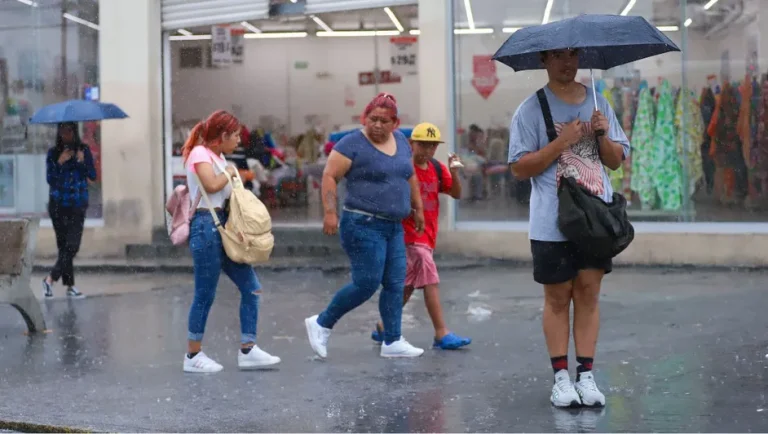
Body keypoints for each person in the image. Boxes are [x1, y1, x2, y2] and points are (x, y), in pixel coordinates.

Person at [507, 49, 630, 408]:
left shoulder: (598, 102)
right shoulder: (530, 110)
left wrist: (603, 135)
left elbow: (616, 161)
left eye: (573, 56)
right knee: (558, 298)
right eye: (559, 57)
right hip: (551, 220)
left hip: (596, 219)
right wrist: (562, 142)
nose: (568, 63)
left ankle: (586, 375)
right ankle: (561, 378)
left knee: (589, 294)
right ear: (545, 61)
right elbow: (518, 168)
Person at [304, 93, 426, 359]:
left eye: (384, 121)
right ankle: (322, 323)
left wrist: (418, 208)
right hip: (363, 223)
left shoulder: (402, 141)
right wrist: (329, 212)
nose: (378, 125)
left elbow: (410, 175)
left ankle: (392, 340)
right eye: (373, 119)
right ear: (364, 118)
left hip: (393, 226)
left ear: (395, 122)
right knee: (367, 283)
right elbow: (329, 176)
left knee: (395, 283)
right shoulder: (351, 144)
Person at [181, 110, 280, 373]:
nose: (239, 140)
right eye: (235, 135)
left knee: (252, 287)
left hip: (224, 226)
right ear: (222, 135)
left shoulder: (219, 157)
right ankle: (192, 356)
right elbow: (211, 185)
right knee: (205, 293)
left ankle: (248, 349)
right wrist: (231, 172)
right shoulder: (200, 154)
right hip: (205, 227)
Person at [369, 122, 471, 350]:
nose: (427, 150)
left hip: (428, 236)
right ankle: (441, 333)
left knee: (407, 286)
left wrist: (454, 173)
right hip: (408, 237)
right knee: (430, 280)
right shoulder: (403, 169)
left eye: (432, 146)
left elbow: (456, 194)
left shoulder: (436, 168)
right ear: (411, 144)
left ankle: (384, 325)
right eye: (423, 145)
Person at [41, 122, 96, 299]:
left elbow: (93, 175)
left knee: (72, 246)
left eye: (69, 131)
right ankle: (70, 286)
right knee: (64, 247)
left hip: (78, 204)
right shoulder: (53, 153)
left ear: (74, 132)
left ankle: (50, 279)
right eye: (63, 132)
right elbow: (50, 179)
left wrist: (81, 160)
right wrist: (59, 162)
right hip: (58, 205)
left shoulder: (83, 150)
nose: (66, 135)